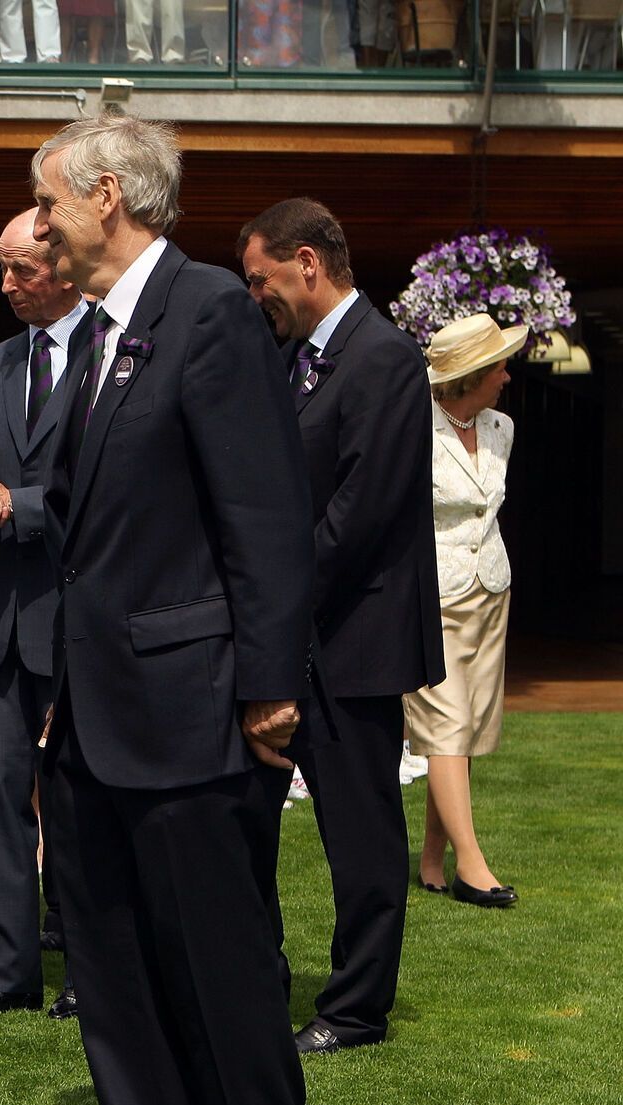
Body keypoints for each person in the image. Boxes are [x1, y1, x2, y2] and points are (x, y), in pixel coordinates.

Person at [24, 114, 316, 1105]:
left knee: (217, 960)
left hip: (193, 707)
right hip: (91, 713)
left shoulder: (206, 315)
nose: (39, 223)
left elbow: (264, 520)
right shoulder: (94, 334)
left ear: (108, 195)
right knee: (106, 956)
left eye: (48, 200)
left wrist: (266, 686)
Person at [236, 198, 443, 1050]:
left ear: (309, 263)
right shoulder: (294, 361)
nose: (257, 296)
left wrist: (273, 598)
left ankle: (357, 1007)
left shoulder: (386, 357)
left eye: (262, 278)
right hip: (293, 638)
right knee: (247, 819)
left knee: (360, 835)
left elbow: (362, 511)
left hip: (355, 639)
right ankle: (261, 979)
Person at [0, 208, 86, 1020]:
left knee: (72, 790)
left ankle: (81, 961)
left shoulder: (108, 356)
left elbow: (109, 492)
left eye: (20, 269)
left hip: (74, 615)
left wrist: (22, 507)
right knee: (2, 784)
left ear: (65, 268)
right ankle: (12, 969)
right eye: (0, 268)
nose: (3, 285)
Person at [406, 314, 527, 910]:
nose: (507, 374)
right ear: (470, 376)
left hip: (490, 591)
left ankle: (433, 856)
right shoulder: (412, 427)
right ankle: (471, 866)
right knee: (445, 725)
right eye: (499, 365)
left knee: (466, 728)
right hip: (433, 596)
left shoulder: (501, 427)